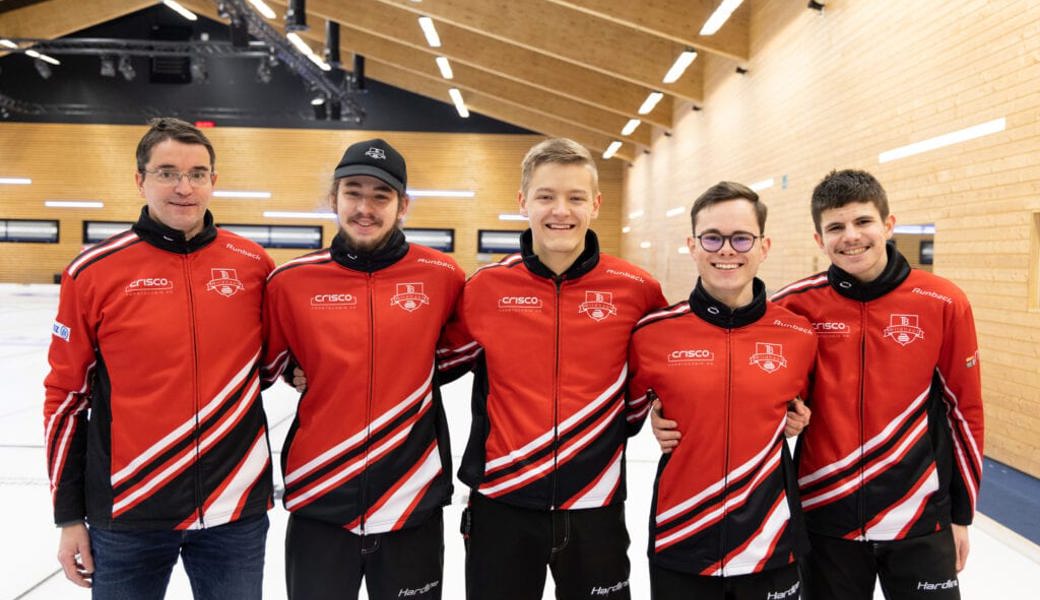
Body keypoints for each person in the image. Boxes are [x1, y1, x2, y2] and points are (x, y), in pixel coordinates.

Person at [655, 169, 984, 599]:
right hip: (823, 519)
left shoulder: (943, 301)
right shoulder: (794, 307)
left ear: (887, 224)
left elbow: (965, 411)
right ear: (818, 238)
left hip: (921, 520)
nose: (851, 236)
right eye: (835, 227)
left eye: (863, 222)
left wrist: (962, 513)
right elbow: (745, 380)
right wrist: (665, 416)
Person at [44, 117, 274, 599]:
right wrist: (69, 516)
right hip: (128, 515)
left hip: (233, 513)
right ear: (140, 180)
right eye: (167, 172)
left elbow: (275, 364)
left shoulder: (253, 266)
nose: (183, 187)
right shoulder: (93, 272)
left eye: (197, 173)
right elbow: (66, 397)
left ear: (214, 180)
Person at [435, 138, 668, 599]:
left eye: (575, 197)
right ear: (523, 202)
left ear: (596, 204)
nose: (560, 210)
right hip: (502, 504)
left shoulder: (637, 290)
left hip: (596, 507)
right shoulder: (485, 288)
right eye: (546, 196)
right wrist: (311, 367)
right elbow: (425, 363)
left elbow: (674, 366)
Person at [261, 138, 464, 600]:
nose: (365, 207)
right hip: (320, 500)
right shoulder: (290, 284)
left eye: (381, 195)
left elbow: (467, 355)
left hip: (411, 500)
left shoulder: (443, 277)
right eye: (353, 192)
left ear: (403, 205)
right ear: (333, 198)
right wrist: (300, 367)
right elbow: (257, 367)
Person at [628, 182, 816, 600]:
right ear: (693, 246)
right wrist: (658, 409)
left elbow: (802, 405)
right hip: (682, 536)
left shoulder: (798, 333)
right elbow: (622, 412)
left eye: (741, 237)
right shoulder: (652, 333)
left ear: (764, 246)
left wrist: (797, 418)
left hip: (770, 541)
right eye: (712, 237)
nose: (726, 250)